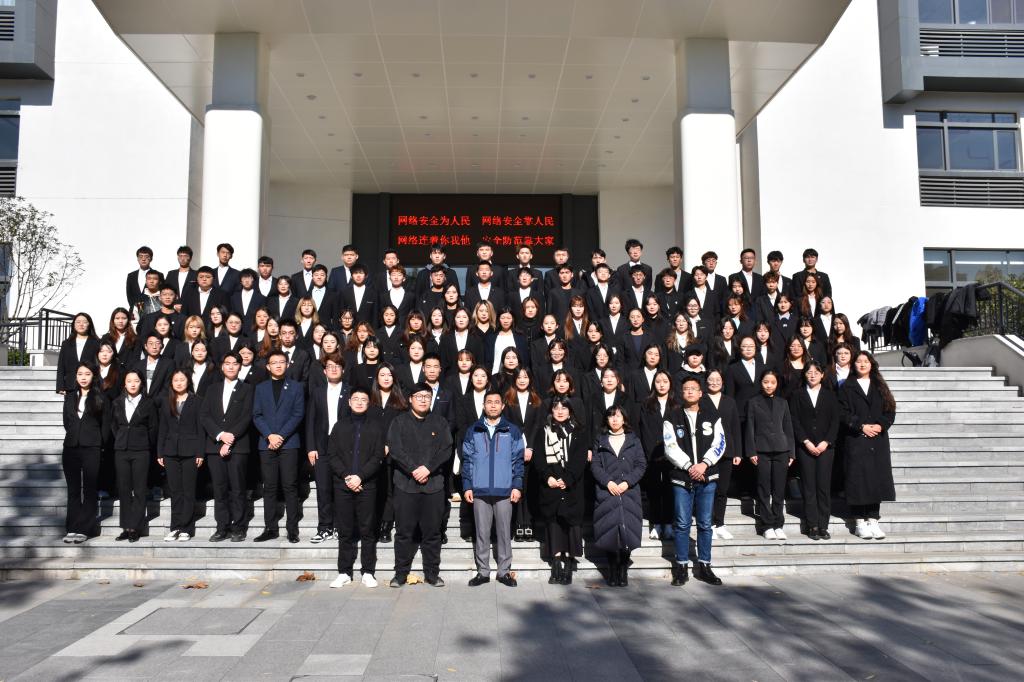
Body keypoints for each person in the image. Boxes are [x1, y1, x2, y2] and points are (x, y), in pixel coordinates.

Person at [387, 382, 453, 588]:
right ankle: (400, 574)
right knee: (403, 533)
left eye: (427, 396)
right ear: (410, 399)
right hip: (405, 485)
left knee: (432, 533)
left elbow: (446, 449)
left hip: (433, 486)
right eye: (419, 396)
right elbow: (395, 449)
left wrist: (428, 469)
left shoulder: (440, 422)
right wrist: (414, 469)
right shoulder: (399, 422)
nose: (423, 400)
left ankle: (432, 574)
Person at [663, 376, 726, 586]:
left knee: (705, 523)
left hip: (707, 477)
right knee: (682, 523)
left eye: (694, 388)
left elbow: (720, 442)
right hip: (682, 477)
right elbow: (670, 446)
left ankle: (705, 566)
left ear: (701, 393)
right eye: (686, 388)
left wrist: (704, 464)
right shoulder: (672, 417)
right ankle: (681, 566)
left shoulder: (712, 416)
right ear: (681, 393)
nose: (690, 391)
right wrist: (690, 466)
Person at [462, 389, 525, 588]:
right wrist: (467, 486)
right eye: (489, 402)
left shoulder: (512, 430)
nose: (493, 405)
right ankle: (483, 572)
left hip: (504, 490)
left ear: (502, 406)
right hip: (480, 490)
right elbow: (467, 460)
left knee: (504, 533)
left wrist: (517, 485)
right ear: (483, 405)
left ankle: (504, 572)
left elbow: (518, 460)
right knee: (481, 533)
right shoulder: (473, 430)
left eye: (497, 402)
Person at [327, 387, 385, 588]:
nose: (359, 402)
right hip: (343, 485)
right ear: (349, 402)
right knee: (345, 530)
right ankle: (344, 572)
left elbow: (378, 456)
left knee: (367, 530)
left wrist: (360, 477)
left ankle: (368, 571)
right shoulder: (339, 426)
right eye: (356, 399)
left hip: (367, 485)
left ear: (369, 403)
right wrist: (347, 477)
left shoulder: (376, 427)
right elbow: (332, 455)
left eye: (364, 399)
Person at [839, 351, 897, 540]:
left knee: (875, 480)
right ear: (853, 365)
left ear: (872, 364)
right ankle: (859, 522)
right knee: (857, 481)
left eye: (866, 361)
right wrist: (860, 426)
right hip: (856, 439)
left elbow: (890, 410)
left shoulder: (880, 386)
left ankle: (873, 519)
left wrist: (881, 425)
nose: (862, 364)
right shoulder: (846, 386)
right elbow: (842, 413)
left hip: (877, 440)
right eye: (859, 361)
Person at [200, 352, 255, 542]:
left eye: (235, 363)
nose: (231, 366)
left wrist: (230, 439)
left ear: (240, 366)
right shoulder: (212, 389)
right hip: (215, 446)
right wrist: (220, 435)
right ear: (222, 366)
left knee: (238, 488)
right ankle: (221, 527)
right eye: (227, 363)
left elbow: (247, 416)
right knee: (219, 488)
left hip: (238, 446)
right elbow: (205, 415)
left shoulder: (247, 389)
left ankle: (238, 527)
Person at [532, 397, 588, 584]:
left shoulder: (579, 431)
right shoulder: (544, 431)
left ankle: (570, 563)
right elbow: (539, 457)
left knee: (572, 524)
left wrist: (568, 479)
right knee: (554, 522)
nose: (560, 411)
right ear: (551, 411)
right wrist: (547, 476)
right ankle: (556, 563)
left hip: (572, 486)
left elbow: (580, 458)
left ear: (570, 411)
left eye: (564, 408)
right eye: (556, 408)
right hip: (551, 484)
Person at [252, 350, 306, 543]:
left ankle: (292, 529)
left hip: (289, 443)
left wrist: (281, 436)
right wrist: (269, 435)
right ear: (268, 366)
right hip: (266, 443)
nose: (278, 365)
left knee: (290, 486)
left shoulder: (296, 387)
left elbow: (298, 414)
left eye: (281, 362)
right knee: (269, 487)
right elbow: (256, 415)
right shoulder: (261, 388)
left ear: (287, 364)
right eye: (274, 362)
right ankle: (270, 528)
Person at [591, 405, 647, 587]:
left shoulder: (633, 440)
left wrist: (627, 482)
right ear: (606, 420)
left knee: (628, 532)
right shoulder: (600, 440)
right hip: (607, 492)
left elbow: (641, 465)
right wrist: (607, 482)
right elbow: (595, 466)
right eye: (611, 416)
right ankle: (612, 570)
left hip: (629, 493)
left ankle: (623, 570)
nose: (614, 419)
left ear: (624, 419)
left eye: (618, 416)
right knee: (608, 532)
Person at [789, 361, 840, 540]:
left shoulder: (830, 395)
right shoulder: (797, 395)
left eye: (816, 372)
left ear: (822, 375)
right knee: (809, 487)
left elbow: (835, 420)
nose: (812, 375)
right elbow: (794, 420)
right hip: (805, 447)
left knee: (823, 487)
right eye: (809, 372)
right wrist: (806, 441)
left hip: (826, 448)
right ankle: (812, 525)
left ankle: (823, 525)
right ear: (804, 374)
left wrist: (826, 441)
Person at [61, 362, 110, 544]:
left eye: (87, 374)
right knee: (73, 490)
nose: (83, 377)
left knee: (89, 489)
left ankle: (85, 528)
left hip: (92, 447)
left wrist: (98, 442)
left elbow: (106, 426)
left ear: (93, 376)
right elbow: (67, 422)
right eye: (80, 373)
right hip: (71, 447)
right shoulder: (70, 397)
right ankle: (72, 527)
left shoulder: (101, 397)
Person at [744, 370, 796, 540]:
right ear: (761, 383)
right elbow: (749, 427)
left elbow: (788, 427)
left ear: (777, 384)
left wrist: (791, 452)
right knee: (764, 488)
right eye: (766, 382)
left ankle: (778, 524)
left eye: (772, 382)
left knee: (779, 489)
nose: (769, 385)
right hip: (761, 451)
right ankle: (767, 525)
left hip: (782, 450)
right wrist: (751, 451)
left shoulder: (783, 402)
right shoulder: (753, 402)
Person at [156, 368, 205, 541]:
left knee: (188, 490)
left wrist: (200, 452)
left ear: (188, 381)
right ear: (171, 382)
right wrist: (160, 452)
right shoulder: (166, 401)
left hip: (190, 451)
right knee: (175, 491)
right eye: (175, 380)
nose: (179, 383)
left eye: (182, 379)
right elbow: (163, 428)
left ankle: (186, 528)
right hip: (170, 451)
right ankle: (175, 527)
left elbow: (201, 429)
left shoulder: (197, 401)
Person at [111, 369, 157, 542]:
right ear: (124, 383)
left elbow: (153, 428)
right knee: (123, 489)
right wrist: (122, 438)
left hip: (141, 450)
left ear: (141, 383)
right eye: (129, 380)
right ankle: (126, 526)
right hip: (121, 449)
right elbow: (114, 426)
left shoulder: (149, 403)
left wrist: (143, 441)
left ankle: (135, 528)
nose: (132, 384)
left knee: (139, 489)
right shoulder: (117, 402)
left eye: (136, 381)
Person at [703, 369, 742, 540]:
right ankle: (709, 523)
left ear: (723, 382)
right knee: (708, 489)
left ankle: (720, 523)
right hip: (707, 453)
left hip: (727, 452)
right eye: (711, 379)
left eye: (718, 379)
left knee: (722, 490)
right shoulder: (701, 400)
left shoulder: (730, 401)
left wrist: (738, 452)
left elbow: (735, 428)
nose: (714, 382)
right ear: (706, 382)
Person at [56, 313, 100, 393]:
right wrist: (60, 386)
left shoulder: (97, 343)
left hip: (91, 386)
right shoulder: (66, 344)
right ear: (74, 325)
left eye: (84, 322)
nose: (81, 324)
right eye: (78, 322)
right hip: (70, 386)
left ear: (89, 324)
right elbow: (61, 365)